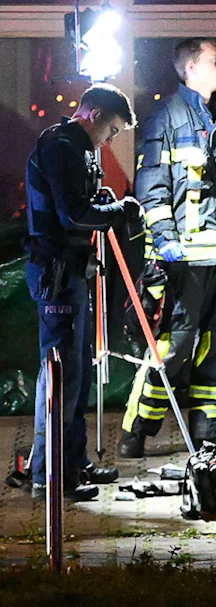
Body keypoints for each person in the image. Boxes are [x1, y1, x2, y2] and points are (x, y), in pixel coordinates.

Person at [119, 38, 216, 459]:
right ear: (190, 70)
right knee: (173, 346)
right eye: (214, 61)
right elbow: (151, 186)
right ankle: (136, 431)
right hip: (183, 258)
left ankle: (212, 430)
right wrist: (164, 238)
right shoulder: (165, 117)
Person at [23, 83, 136, 500]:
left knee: (77, 372)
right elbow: (73, 214)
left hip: (71, 271)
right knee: (59, 374)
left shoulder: (78, 148)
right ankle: (48, 477)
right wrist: (118, 210)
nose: (112, 138)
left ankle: (72, 463)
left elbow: (79, 202)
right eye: (112, 129)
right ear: (92, 115)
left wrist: (104, 201)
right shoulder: (61, 145)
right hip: (56, 272)